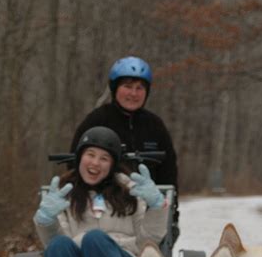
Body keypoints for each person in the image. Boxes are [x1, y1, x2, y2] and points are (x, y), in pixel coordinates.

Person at [33, 126, 168, 257]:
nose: (95, 163)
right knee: (58, 246)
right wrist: (46, 221)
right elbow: (60, 250)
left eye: (104, 158)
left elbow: (148, 243)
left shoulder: (131, 191)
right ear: (80, 158)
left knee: (94, 240)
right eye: (90, 155)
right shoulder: (64, 195)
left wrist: (157, 208)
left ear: (113, 164)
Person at [70, 56, 180, 242]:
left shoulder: (155, 125)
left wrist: (173, 215)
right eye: (127, 87)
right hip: (105, 205)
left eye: (139, 88)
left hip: (146, 204)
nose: (133, 93)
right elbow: (76, 163)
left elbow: (169, 171)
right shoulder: (97, 120)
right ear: (115, 89)